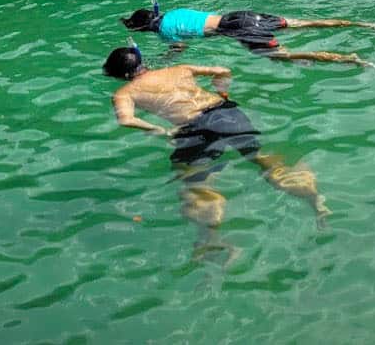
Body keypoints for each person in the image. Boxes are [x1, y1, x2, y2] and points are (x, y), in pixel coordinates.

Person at [103, 44, 328, 257]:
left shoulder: (124, 93)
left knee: (195, 183)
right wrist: (223, 93)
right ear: (142, 62)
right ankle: (316, 200)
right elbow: (222, 70)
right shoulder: (180, 69)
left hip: (194, 128)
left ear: (118, 74)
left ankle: (212, 240)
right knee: (260, 158)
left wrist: (161, 130)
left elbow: (126, 120)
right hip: (225, 112)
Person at [120, 0, 375, 66]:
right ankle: (361, 25)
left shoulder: (164, 33)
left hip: (238, 30)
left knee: (286, 56)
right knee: (304, 23)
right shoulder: (173, 13)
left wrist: (163, 61)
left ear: (145, 29)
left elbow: (180, 47)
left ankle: (349, 59)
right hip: (239, 15)